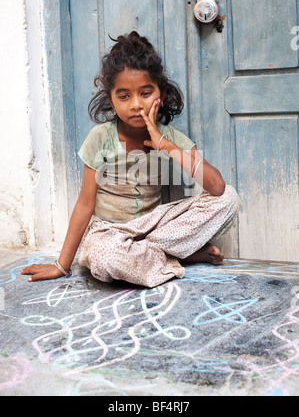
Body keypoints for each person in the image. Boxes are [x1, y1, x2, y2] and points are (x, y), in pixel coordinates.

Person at [22, 31, 240, 288]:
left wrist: (165, 145)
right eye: (124, 96)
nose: (136, 104)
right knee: (105, 258)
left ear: (161, 93)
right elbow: (85, 203)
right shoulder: (100, 137)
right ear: (112, 102)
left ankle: (149, 252)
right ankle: (179, 255)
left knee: (230, 198)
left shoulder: (169, 136)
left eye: (145, 93)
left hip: (154, 228)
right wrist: (62, 264)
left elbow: (217, 188)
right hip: (108, 232)